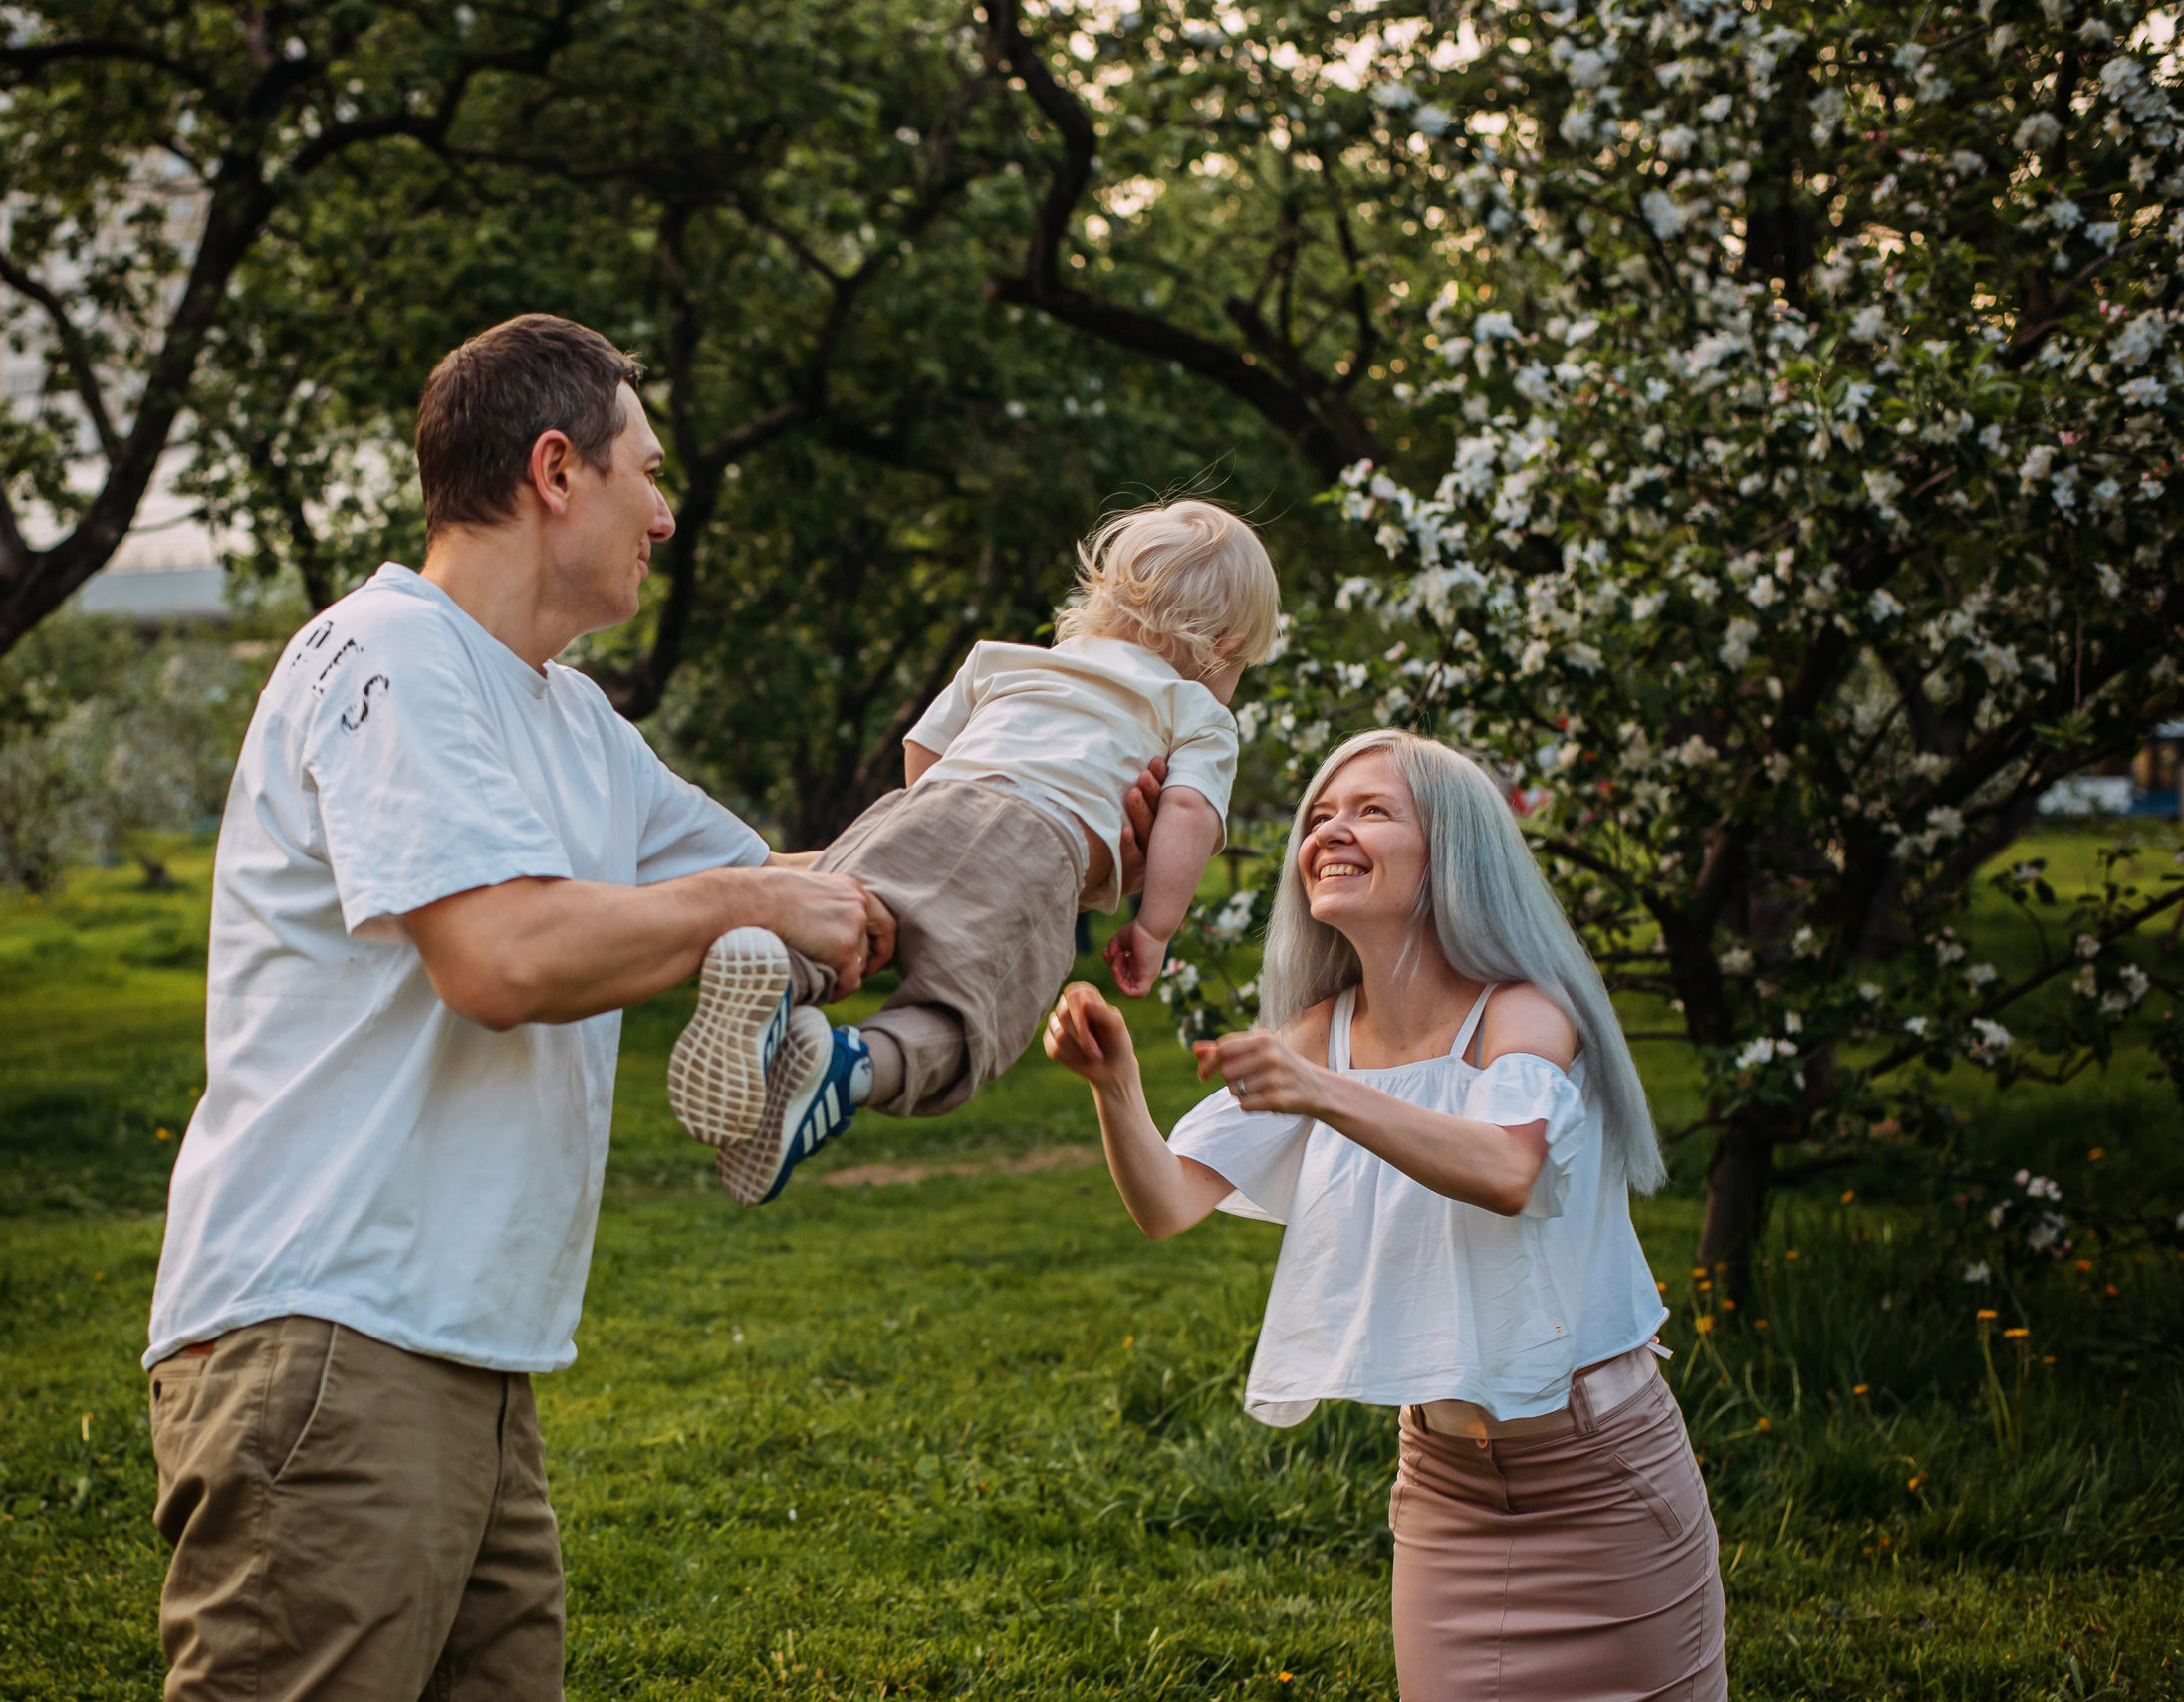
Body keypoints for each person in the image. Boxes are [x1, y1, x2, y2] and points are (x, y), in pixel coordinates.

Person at [136, 315, 906, 1702]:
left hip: (472, 1358)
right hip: (328, 1336)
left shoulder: (571, 722)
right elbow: (499, 958)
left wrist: (1020, 798)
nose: (666, 512)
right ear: (556, 470)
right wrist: (751, 908)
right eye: (647, 472)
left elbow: (800, 890)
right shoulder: (389, 655)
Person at [1043, 729, 1726, 1700]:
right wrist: (1116, 1085)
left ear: (1450, 848)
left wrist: (1321, 1093)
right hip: (1446, 1490)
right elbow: (1168, 1201)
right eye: (1319, 814)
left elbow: (1507, 1169)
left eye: (1370, 809)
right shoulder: (1315, 1036)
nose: (1331, 830)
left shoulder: (1521, 1012)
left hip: (1602, 1480)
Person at [666, 500, 1280, 1209]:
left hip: (920, 809)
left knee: (830, 913)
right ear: (1229, 645)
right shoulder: (1197, 710)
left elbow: (922, 750)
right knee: (966, 1014)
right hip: (1032, 849)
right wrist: (1153, 928)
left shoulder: (1007, 659)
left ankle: (776, 977)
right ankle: (846, 1068)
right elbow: (1187, 817)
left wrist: (934, 840)